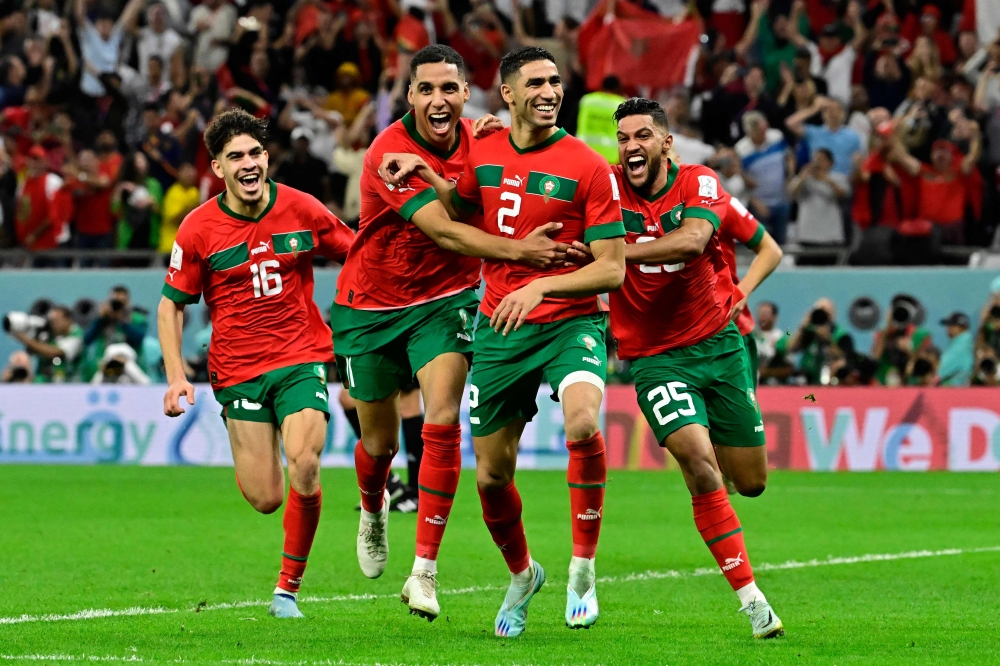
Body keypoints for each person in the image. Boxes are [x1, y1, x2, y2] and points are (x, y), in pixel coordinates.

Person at [380, 46, 626, 635]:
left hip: (570, 320)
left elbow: (613, 268)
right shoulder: (484, 149)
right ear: (508, 94)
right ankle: (522, 573)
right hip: (501, 326)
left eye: (556, 81)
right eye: (535, 82)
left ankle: (583, 569)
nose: (550, 91)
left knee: (583, 424)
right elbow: (464, 209)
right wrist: (430, 176)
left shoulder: (589, 166)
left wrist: (543, 286)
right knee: (491, 475)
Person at [332, 44, 569, 623]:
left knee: (441, 418)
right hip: (371, 306)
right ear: (409, 96)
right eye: (426, 89)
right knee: (379, 444)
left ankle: (424, 570)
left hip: (447, 302)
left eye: (449, 88)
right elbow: (449, 231)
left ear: (466, 94)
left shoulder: (485, 140)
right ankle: (372, 506)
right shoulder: (389, 150)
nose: (438, 99)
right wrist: (523, 253)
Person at [578, 96, 782, 639]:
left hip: (718, 346)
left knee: (752, 482)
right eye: (623, 139)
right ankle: (753, 601)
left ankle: (716, 445)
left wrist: (615, 255)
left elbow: (695, 240)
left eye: (642, 136)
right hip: (653, 356)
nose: (630, 147)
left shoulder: (699, 182)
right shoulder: (605, 190)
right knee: (697, 463)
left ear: (666, 142)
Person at [158, 108, 355, 619]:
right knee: (267, 497)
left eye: (254, 154)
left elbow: (357, 256)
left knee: (306, 464)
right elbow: (170, 304)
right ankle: (243, 428)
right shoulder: (199, 228)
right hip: (238, 371)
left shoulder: (301, 208)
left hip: (301, 356)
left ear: (266, 158)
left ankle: (287, 589)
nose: (248, 164)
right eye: (235, 157)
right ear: (218, 169)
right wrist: (177, 375)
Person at [735, 111, 793, 244]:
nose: (764, 135)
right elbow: (742, 182)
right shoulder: (742, 150)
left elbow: (789, 157)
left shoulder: (776, 137)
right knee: (762, 244)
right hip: (760, 203)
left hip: (781, 199)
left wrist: (789, 176)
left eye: (765, 130)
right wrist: (755, 202)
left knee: (782, 242)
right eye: (760, 133)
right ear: (750, 132)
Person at [780, 298, 851, 385]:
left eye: (827, 313)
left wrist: (827, 339)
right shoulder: (809, 332)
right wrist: (803, 327)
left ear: (833, 315)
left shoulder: (841, 335)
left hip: (830, 380)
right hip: (806, 378)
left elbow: (843, 357)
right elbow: (791, 348)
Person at [787, 147, 850, 245]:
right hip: (807, 234)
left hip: (831, 235)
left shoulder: (838, 178)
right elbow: (790, 193)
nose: (817, 162)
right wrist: (802, 176)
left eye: (822, 159)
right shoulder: (805, 180)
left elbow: (844, 196)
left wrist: (827, 180)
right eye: (815, 159)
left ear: (830, 163)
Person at [5, 305, 83, 382]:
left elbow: (56, 352)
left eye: (56, 321)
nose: (53, 325)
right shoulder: (50, 335)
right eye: (52, 321)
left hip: (73, 382)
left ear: (68, 319)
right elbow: (31, 351)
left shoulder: (77, 334)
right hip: (47, 381)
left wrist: (24, 338)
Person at [871, 295, 933, 386]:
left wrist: (909, 352)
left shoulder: (921, 335)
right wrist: (887, 327)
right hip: (885, 384)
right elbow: (875, 357)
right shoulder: (882, 334)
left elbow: (925, 368)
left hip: (912, 384)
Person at [158, 163, 201, 253]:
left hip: (189, 246)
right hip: (171, 247)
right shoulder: (173, 193)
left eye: (192, 172)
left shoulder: (195, 192)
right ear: (179, 174)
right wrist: (192, 210)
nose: (190, 175)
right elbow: (174, 220)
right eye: (186, 172)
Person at [937, 312, 973, 386]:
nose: (948, 328)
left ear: (962, 327)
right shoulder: (961, 342)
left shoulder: (961, 344)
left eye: (952, 325)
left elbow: (943, 369)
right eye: (948, 325)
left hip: (954, 387)